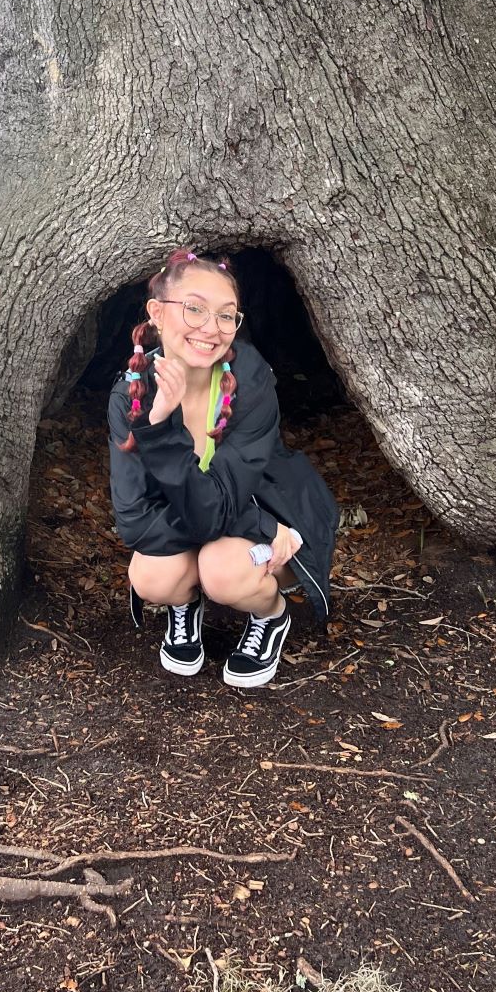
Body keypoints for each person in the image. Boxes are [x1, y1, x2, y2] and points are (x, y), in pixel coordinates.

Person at [107, 248, 338, 688]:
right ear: (157, 312)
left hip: (276, 509)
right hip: (258, 521)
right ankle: (184, 602)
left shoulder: (250, 377)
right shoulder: (129, 396)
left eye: (226, 316)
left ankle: (271, 615)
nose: (211, 329)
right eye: (194, 309)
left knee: (223, 570)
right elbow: (134, 522)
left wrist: (269, 525)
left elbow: (228, 495)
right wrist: (157, 426)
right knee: (152, 576)